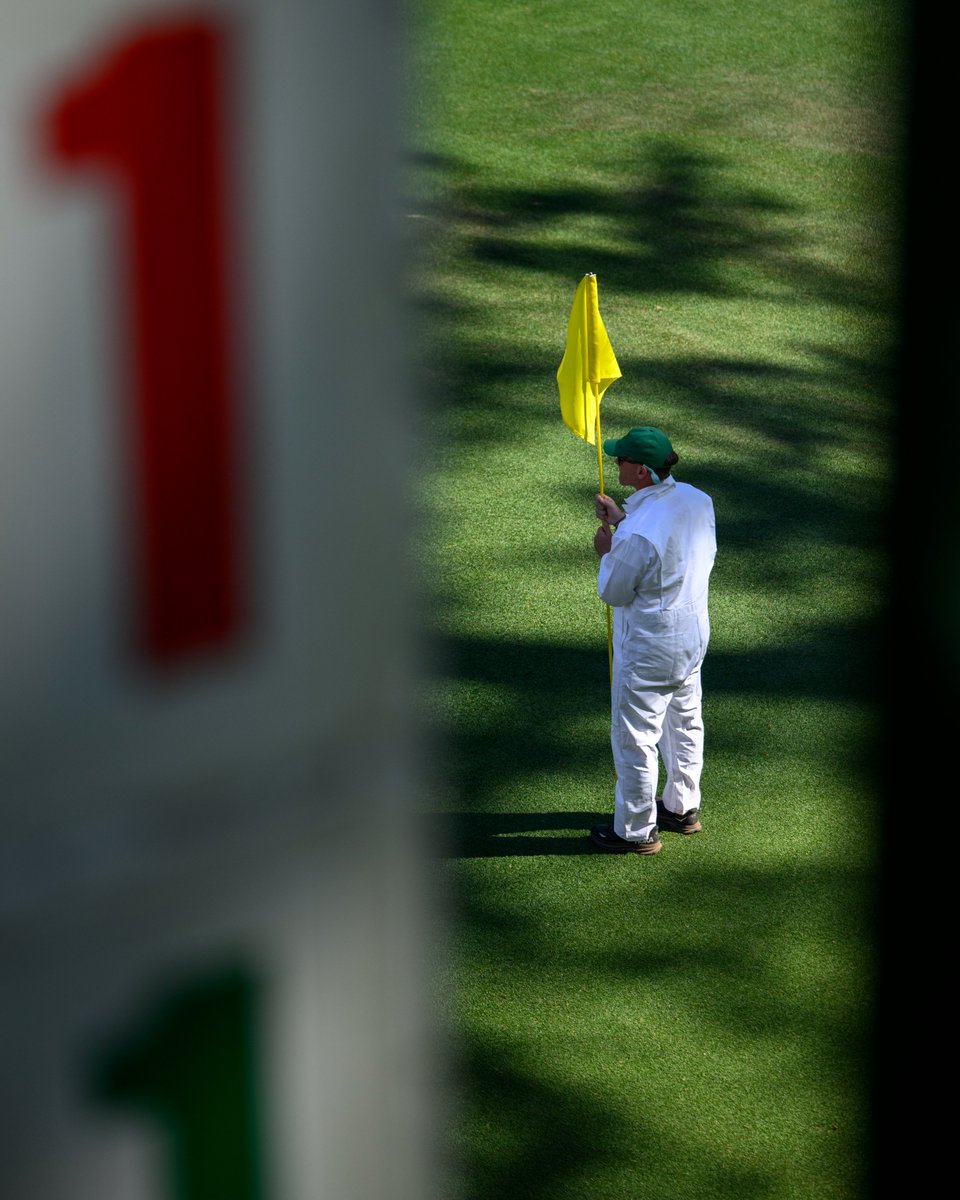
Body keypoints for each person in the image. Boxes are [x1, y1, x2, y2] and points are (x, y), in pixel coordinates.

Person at [588, 426, 717, 855]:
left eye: (621, 460)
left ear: (641, 471)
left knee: (636, 736)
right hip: (692, 634)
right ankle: (682, 808)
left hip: (650, 645)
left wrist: (609, 549)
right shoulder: (698, 499)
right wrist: (623, 525)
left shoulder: (639, 532)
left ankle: (637, 830)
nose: (615, 464)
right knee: (685, 721)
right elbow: (668, 544)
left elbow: (615, 591)